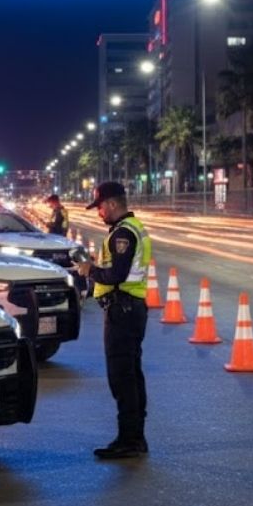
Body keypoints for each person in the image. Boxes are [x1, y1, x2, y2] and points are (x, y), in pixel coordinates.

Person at [75, 181, 152, 459]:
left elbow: (116, 275)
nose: (99, 213)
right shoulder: (133, 229)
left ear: (111, 204)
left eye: (100, 207)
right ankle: (135, 437)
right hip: (130, 309)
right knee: (131, 375)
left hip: (123, 311)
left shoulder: (123, 234)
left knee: (122, 377)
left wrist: (90, 270)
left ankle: (129, 439)